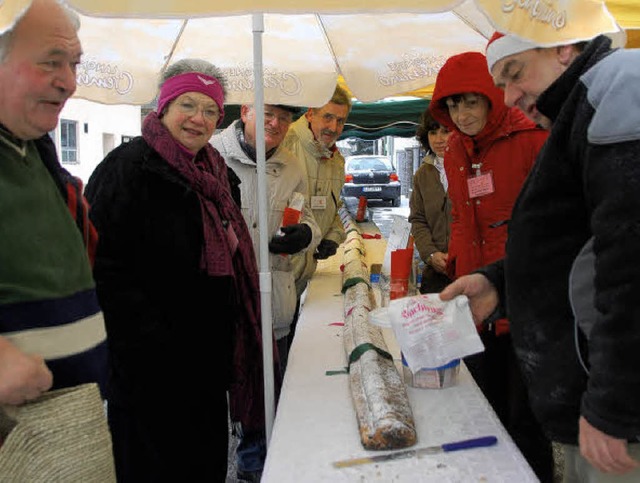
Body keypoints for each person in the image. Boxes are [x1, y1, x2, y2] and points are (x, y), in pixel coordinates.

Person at [440, 32, 640, 480]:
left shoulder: (618, 92)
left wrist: (614, 403)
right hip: (583, 386)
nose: (509, 96)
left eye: (514, 75)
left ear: (562, 48)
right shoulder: (573, 114)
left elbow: (629, 267)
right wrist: (500, 282)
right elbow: (575, 246)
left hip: (612, 404)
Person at [85, 59, 270, 481]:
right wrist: (151, 338)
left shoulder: (219, 174)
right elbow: (98, 267)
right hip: (147, 370)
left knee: (202, 466)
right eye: (188, 104)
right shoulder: (127, 168)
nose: (198, 119)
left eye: (209, 110)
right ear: (164, 106)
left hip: (206, 363)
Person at [429, 51, 554, 481]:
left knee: (524, 417)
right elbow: (463, 217)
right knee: (480, 405)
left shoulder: (534, 139)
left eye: (470, 102)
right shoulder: (455, 152)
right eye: (452, 105)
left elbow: (551, 225)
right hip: (475, 299)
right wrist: (457, 260)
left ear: (491, 97)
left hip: (524, 299)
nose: (461, 115)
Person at [0, 0, 107, 405]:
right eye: (51, 62)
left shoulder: (34, 151)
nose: (69, 82)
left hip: (65, 424)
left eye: (74, 64)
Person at [212, 103, 321, 481]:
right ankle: (247, 457)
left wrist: (305, 234)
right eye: (267, 113)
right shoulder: (212, 155)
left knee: (271, 385)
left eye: (285, 118)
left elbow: (304, 213)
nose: (276, 123)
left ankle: (267, 463)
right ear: (245, 111)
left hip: (274, 294)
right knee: (236, 386)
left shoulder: (292, 165)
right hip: (226, 296)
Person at [281, 85, 352, 347]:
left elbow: (335, 205)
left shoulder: (336, 159)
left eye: (341, 120)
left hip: (306, 270)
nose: (333, 127)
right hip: (280, 268)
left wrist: (333, 236)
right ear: (310, 113)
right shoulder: (285, 142)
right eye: (328, 117)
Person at [408, 109, 452, 294]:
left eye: (445, 131)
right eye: (433, 132)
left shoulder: (473, 168)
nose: (439, 139)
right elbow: (418, 220)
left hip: (471, 269)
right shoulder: (422, 175)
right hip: (436, 272)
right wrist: (431, 254)